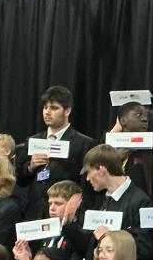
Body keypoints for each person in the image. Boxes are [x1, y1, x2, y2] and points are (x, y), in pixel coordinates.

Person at [15, 86, 96, 218]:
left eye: (54, 108)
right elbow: (20, 180)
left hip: (66, 213)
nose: (47, 112)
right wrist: (30, 166)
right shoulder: (33, 140)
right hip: (35, 213)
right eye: (45, 107)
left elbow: (86, 184)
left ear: (67, 111)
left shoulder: (84, 143)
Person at [75, 145, 150, 260]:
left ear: (102, 170)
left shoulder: (139, 201)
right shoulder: (104, 200)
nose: (87, 179)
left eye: (89, 172)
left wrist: (109, 238)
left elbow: (144, 249)